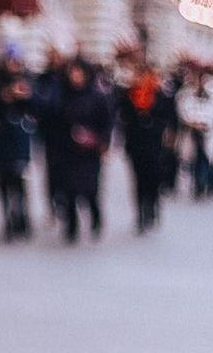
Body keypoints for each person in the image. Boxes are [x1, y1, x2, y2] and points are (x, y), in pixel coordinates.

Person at [58, 58, 112, 243]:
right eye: (73, 73)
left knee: (90, 190)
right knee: (69, 191)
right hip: (68, 151)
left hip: (90, 152)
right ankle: (71, 226)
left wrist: (100, 141)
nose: (76, 77)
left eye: (79, 73)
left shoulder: (97, 97)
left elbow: (106, 123)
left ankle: (95, 218)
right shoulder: (64, 95)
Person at [118, 66, 176, 232]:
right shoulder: (128, 95)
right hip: (135, 145)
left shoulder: (160, 95)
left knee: (153, 178)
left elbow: (169, 118)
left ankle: (153, 207)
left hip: (155, 145)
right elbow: (122, 117)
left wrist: (162, 131)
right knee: (138, 181)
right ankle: (140, 214)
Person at [0, 50, 37, 240]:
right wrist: (4, 97)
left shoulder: (26, 81)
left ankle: (22, 217)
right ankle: (8, 219)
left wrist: (24, 96)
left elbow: (36, 106)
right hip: (2, 140)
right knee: (4, 182)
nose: (12, 64)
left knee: (20, 180)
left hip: (20, 139)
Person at [34, 47, 68, 225]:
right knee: (51, 171)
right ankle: (53, 203)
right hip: (49, 133)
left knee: (64, 170)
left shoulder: (66, 79)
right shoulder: (43, 79)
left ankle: (63, 201)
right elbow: (37, 103)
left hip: (66, 134)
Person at [176, 65, 213, 199]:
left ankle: (205, 183)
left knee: (205, 159)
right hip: (192, 132)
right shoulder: (186, 94)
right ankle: (198, 184)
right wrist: (193, 122)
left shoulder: (209, 95)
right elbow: (183, 110)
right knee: (193, 159)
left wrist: (205, 123)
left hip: (206, 132)